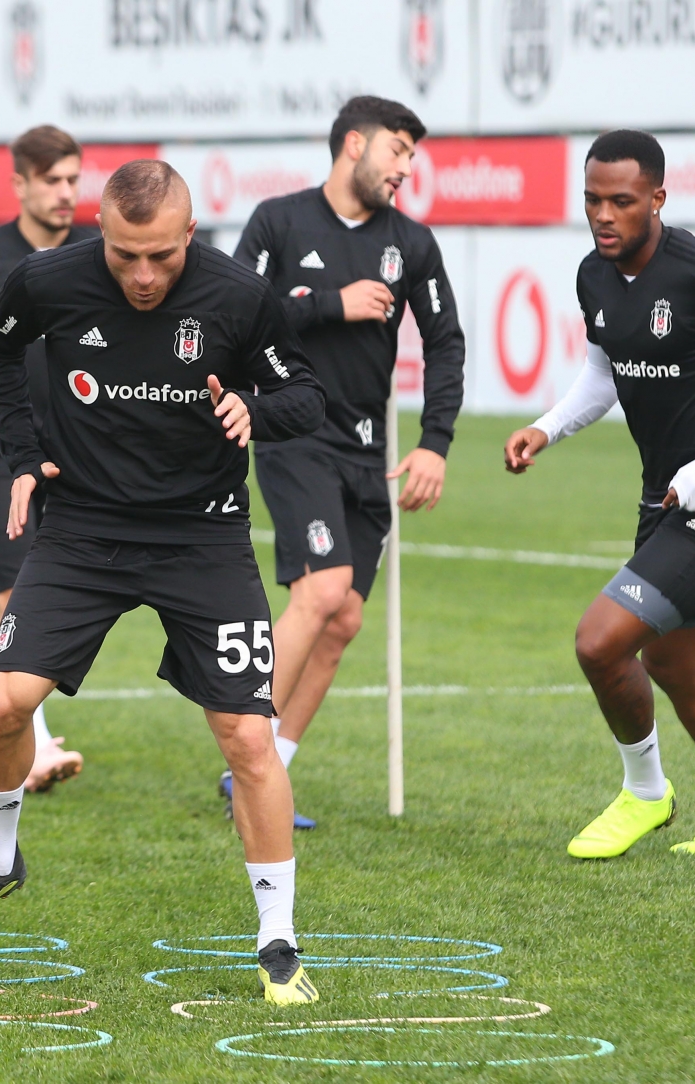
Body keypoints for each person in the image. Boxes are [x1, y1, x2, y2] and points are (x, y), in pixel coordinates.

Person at [0, 160, 326, 1005]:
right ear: (100, 232)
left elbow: (308, 396)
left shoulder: (240, 295)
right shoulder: (46, 279)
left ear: (188, 236)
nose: (142, 276)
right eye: (124, 255)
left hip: (202, 535)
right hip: (82, 530)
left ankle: (278, 938)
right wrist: (24, 457)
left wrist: (256, 409)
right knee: (2, 704)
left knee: (249, 738)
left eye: (161, 258)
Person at [229, 96, 466, 826]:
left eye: (411, 157)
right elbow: (236, 310)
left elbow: (446, 341)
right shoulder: (278, 220)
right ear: (354, 145)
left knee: (345, 620)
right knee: (324, 588)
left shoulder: (413, 244)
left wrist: (434, 441)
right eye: (397, 150)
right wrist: (328, 303)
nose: (405, 168)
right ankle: (247, 754)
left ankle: (272, 769)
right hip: (295, 435)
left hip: (370, 452)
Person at [505, 129, 695, 859]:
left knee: (599, 643)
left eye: (622, 201)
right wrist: (545, 428)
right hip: (661, 498)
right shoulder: (592, 277)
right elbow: (603, 373)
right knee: (674, 664)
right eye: (592, 199)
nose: (604, 214)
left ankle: (645, 793)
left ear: (658, 198)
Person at [0, 125, 91, 792]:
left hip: (83, 453)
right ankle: (34, 745)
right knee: (17, 586)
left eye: (73, 179)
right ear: (21, 184)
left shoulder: (100, 253)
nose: (66, 193)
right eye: (53, 181)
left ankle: (25, 727)